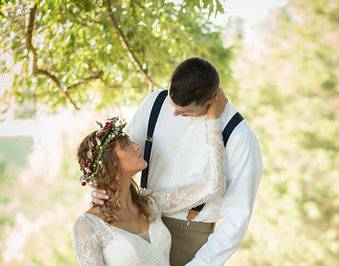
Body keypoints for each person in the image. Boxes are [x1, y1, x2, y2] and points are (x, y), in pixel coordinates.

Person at [92, 57, 263, 266]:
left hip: (188, 237)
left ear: (210, 101)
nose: (173, 112)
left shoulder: (240, 137)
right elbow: (121, 158)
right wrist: (102, 189)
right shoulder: (154, 102)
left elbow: (237, 220)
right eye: (171, 104)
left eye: (183, 111)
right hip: (134, 227)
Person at [72, 92, 227, 265]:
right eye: (126, 146)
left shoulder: (150, 203)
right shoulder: (87, 226)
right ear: (110, 165)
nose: (138, 146)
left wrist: (213, 123)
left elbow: (214, 186)